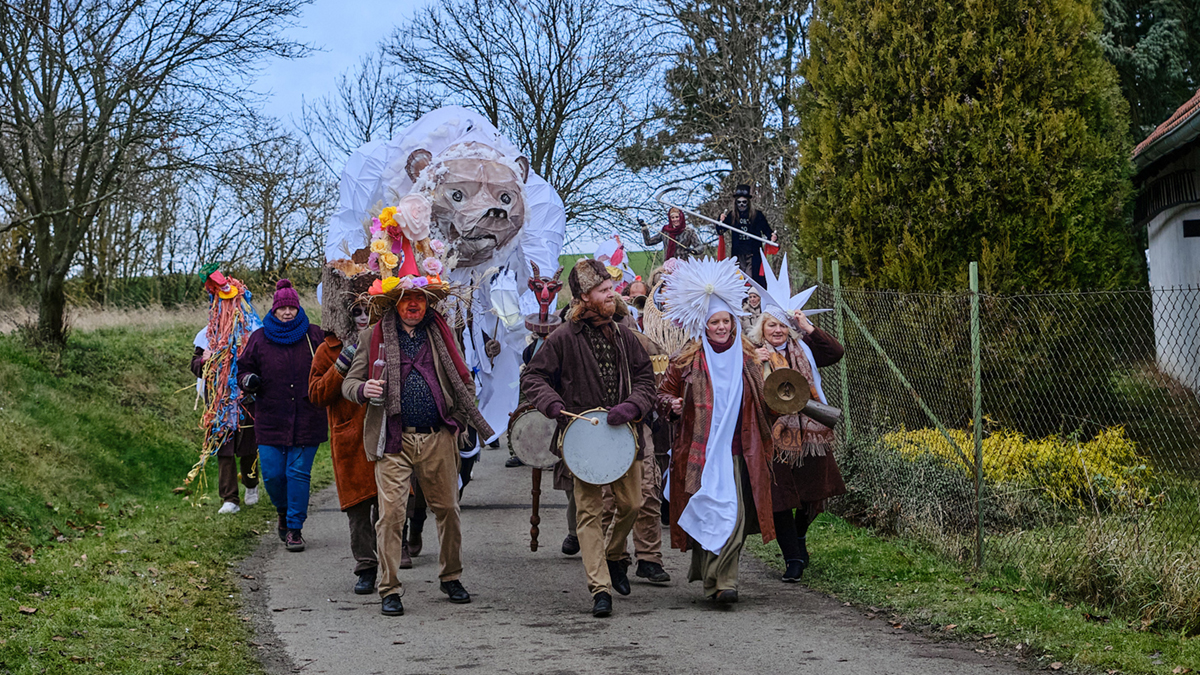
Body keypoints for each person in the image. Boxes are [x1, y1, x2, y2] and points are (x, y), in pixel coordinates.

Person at [341, 278, 493, 617]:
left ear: (428, 304)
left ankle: (451, 576)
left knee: (448, 510)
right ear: (395, 302)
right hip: (392, 438)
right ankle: (389, 589)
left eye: (420, 299)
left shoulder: (442, 334)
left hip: (438, 437)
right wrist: (363, 389)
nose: (413, 305)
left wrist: (457, 420)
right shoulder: (371, 337)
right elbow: (348, 384)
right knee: (391, 516)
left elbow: (464, 379)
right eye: (407, 298)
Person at [521, 258, 657, 618]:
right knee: (589, 512)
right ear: (584, 296)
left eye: (612, 289)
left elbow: (647, 381)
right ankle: (600, 588)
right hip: (581, 438)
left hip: (626, 435)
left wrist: (631, 407)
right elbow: (533, 377)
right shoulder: (564, 338)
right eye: (603, 290)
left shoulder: (626, 336)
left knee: (631, 504)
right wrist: (551, 403)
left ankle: (615, 555)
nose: (612, 294)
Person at [657, 257, 777, 605]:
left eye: (726, 321)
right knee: (709, 511)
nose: (722, 327)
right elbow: (662, 394)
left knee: (735, 515)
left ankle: (725, 581)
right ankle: (713, 580)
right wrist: (672, 405)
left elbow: (769, 399)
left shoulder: (750, 358)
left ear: (734, 323)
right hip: (700, 452)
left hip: (739, 449)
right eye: (715, 322)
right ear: (704, 325)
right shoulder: (687, 359)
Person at [747, 254, 847, 581]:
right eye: (771, 325)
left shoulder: (802, 348)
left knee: (813, 495)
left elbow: (835, 353)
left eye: (782, 325)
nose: (777, 330)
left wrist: (807, 327)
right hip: (772, 437)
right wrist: (751, 362)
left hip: (810, 435)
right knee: (780, 499)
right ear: (762, 327)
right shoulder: (750, 352)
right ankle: (792, 558)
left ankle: (801, 537)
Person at [237, 279, 328, 552]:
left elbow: (330, 364)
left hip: (307, 416)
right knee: (274, 476)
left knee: (298, 473)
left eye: (292, 307)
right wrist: (248, 380)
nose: (288, 312)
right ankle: (282, 511)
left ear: (298, 308)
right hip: (270, 417)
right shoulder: (259, 338)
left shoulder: (314, 335)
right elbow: (242, 370)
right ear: (274, 310)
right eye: (283, 308)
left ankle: (294, 529)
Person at [308, 261, 380, 594]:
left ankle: (393, 555)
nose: (363, 318)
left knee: (393, 503)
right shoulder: (327, 349)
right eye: (356, 312)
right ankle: (366, 566)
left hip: (383, 434)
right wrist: (340, 365)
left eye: (368, 310)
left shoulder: (385, 340)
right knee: (359, 511)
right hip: (350, 437)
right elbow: (317, 394)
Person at [190, 263, 261, 515]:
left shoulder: (252, 332)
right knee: (223, 448)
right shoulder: (205, 336)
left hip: (246, 400)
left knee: (249, 446)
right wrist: (206, 360)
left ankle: (251, 483)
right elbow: (195, 365)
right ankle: (229, 498)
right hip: (219, 403)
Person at [719, 185, 775, 286]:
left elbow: (767, 230)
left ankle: (752, 300)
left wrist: (772, 237)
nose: (741, 205)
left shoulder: (757, 215)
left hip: (753, 253)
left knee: (752, 280)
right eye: (739, 202)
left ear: (748, 203)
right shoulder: (732, 215)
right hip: (738, 254)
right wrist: (720, 221)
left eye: (744, 202)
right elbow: (720, 230)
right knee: (739, 280)